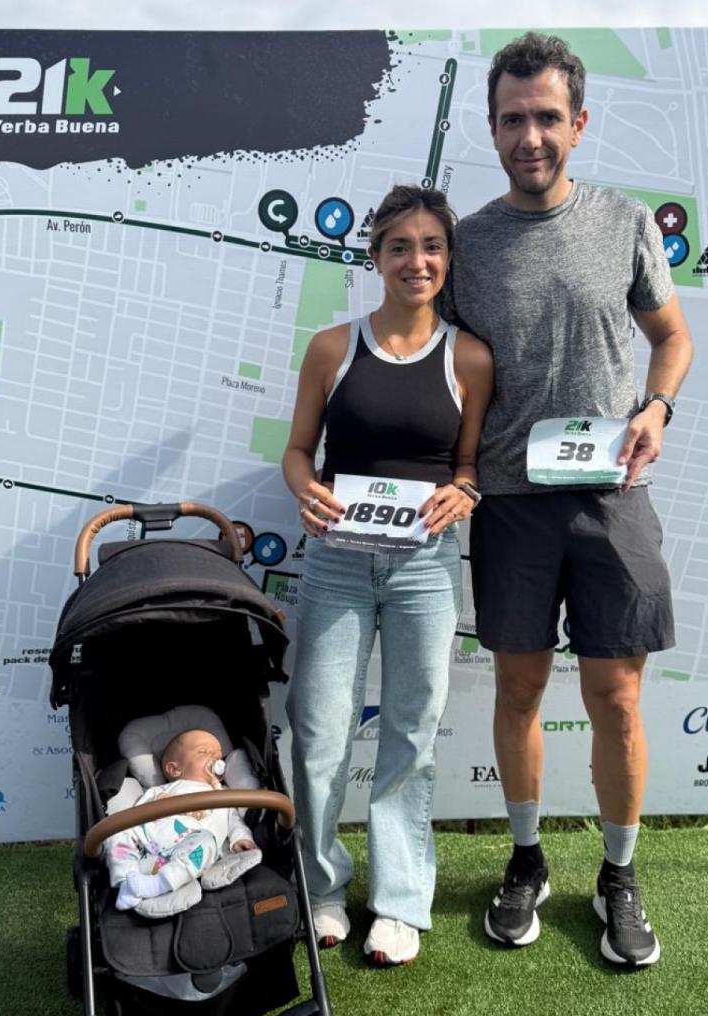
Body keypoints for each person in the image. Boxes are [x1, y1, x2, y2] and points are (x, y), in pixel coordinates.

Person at [451, 32, 693, 966]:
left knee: (616, 698)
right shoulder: (465, 244)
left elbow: (669, 337)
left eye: (547, 116)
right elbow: (442, 372)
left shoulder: (625, 222)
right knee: (516, 688)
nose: (530, 135)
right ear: (492, 127)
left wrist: (658, 408)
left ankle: (618, 875)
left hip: (609, 496)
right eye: (513, 118)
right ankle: (524, 859)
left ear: (578, 123)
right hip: (508, 504)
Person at [283, 184, 493, 966]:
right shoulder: (332, 348)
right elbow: (298, 450)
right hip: (336, 563)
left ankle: (399, 902)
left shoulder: (468, 356)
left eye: (431, 246)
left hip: (425, 571)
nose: (416, 260)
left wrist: (462, 490)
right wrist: (302, 488)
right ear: (373, 257)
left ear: (447, 259)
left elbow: (468, 464)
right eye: (399, 246)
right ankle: (321, 888)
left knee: (410, 733)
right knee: (317, 732)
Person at [104, 729, 261, 917]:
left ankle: (158, 884)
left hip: (191, 850)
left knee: (206, 842)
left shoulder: (223, 796)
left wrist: (240, 838)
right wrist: (160, 801)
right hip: (150, 848)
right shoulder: (161, 790)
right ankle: (125, 881)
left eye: (219, 755)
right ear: (174, 769)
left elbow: (234, 821)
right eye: (203, 752)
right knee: (116, 832)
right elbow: (139, 814)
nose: (215, 757)